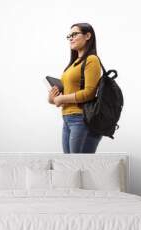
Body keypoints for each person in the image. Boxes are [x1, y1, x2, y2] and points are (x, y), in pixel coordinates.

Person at [48, 23, 102, 153]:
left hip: (81, 119)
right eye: (69, 36)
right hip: (67, 118)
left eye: (74, 34)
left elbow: (89, 93)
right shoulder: (72, 65)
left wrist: (61, 99)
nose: (71, 38)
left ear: (88, 35)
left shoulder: (92, 59)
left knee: (78, 166)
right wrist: (53, 98)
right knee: (69, 165)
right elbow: (65, 96)